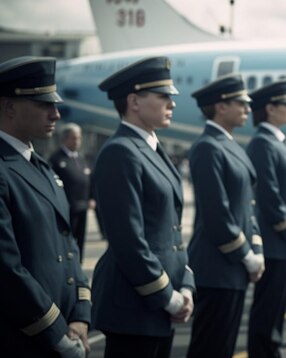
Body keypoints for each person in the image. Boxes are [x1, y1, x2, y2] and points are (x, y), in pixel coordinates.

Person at [91, 56, 195, 358]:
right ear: (134, 101)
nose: (172, 104)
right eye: (164, 96)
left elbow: (171, 233)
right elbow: (129, 242)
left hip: (161, 301)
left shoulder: (152, 149)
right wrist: (168, 297)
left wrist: (185, 285)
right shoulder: (120, 152)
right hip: (135, 304)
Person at [0, 56, 91, 357]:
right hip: (23, 338)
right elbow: (6, 268)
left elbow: (69, 246)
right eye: (42, 103)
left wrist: (80, 313)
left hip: (64, 328)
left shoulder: (42, 166)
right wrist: (56, 333)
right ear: (9, 107)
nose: (55, 113)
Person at [186, 74, 264, 358]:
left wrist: (256, 249)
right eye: (241, 103)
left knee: (225, 344)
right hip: (216, 265)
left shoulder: (229, 144)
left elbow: (246, 206)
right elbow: (217, 213)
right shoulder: (208, 147)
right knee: (210, 346)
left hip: (233, 266)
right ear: (220, 107)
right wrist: (246, 254)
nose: (247, 108)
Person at [246, 80, 286, 358]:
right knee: (268, 305)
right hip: (274, 240)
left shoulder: (276, 142)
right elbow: (269, 197)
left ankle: (271, 350)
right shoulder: (262, 143)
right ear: (270, 109)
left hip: (283, 240)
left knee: (277, 303)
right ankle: (263, 351)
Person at [49, 123, 93, 262]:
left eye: (79, 138)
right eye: (74, 138)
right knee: (67, 240)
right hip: (66, 208)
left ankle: (78, 263)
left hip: (82, 206)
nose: (77, 141)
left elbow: (89, 180)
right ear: (65, 139)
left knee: (81, 239)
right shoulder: (56, 159)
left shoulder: (80, 158)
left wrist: (91, 198)